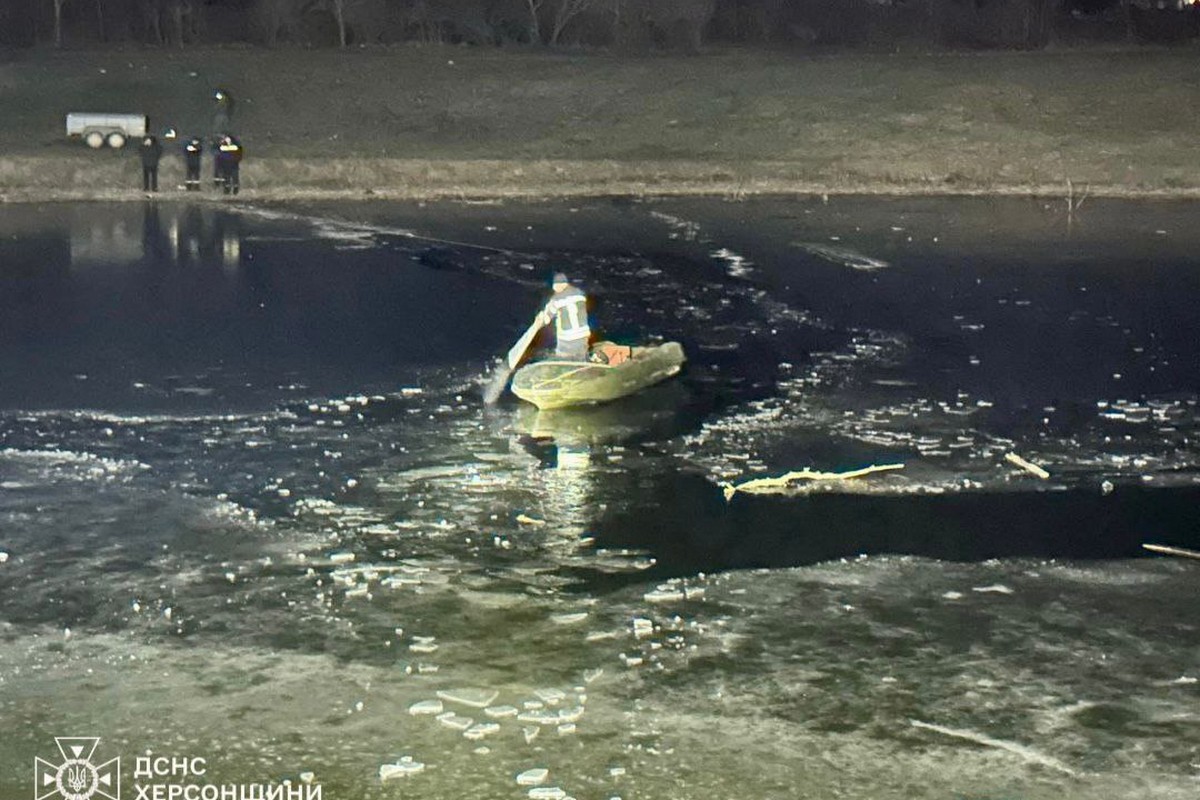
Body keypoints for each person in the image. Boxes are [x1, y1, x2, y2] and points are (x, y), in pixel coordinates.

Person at [539, 272, 591, 361]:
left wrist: (541, 317)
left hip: (567, 338)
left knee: (562, 358)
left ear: (557, 286)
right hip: (583, 335)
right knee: (581, 358)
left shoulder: (556, 299)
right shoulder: (580, 294)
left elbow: (546, 319)